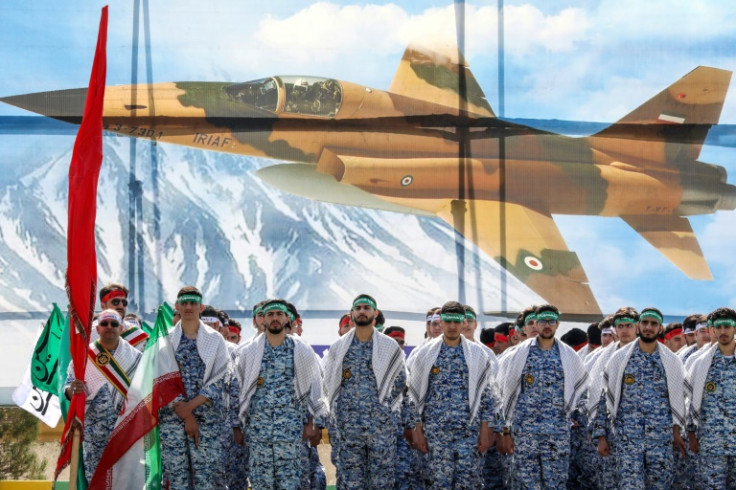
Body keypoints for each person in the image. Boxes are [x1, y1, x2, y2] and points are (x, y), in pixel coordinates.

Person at [234, 299, 326, 489]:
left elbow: (314, 388)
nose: (274, 318)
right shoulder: (249, 352)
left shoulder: (301, 350)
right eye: (270, 314)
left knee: (291, 485)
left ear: (287, 319)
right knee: (261, 484)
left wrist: (313, 424)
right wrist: (237, 426)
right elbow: (238, 391)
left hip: (292, 435)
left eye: (279, 314)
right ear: (263, 320)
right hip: (259, 435)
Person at [593, 307, 686, 489]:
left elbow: (678, 399)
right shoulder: (619, 359)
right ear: (638, 326)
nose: (648, 327)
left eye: (653, 324)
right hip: (627, 440)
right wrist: (600, 435)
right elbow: (605, 398)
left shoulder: (671, 361)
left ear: (660, 329)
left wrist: (677, 430)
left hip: (660, 440)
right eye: (645, 323)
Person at [498, 304, 588, 489]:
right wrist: (505, 431)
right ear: (536, 324)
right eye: (542, 321)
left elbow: (581, 390)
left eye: (551, 321)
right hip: (524, 435)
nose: (547, 325)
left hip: (557, 436)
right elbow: (504, 392)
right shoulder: (518, 354)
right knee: (525, 484)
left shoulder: (569, 355)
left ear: (557, 324)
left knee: (555, 484)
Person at [409, 301, 498, 489]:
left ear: (463, 323)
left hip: (469, 436)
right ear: (440, 322)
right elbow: (413, 397)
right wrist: (417, 432)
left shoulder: (478, 354)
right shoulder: (425, 354)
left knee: (469, 484)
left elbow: (487, 397)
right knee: (437, 484)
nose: (452, 326)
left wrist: (485, 431)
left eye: (456, 322)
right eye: (448, 321)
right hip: (434, 436)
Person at [322, 294, 407, 488]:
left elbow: (400, 380)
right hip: (349, 427)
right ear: (352, 314)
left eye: (366, 308)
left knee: (381, 481)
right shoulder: (339, 347)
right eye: (358, 308)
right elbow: (329, 382)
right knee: (351, 481)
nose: (362, 311)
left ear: (374, 313)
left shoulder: (389, 346)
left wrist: (383, 409)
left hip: (381, 428)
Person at [158, 286, 230, 489]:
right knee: (176, 479)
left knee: (205, 480)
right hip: (173, 420)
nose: (188, 306)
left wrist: (191, 408)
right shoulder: (165, 340)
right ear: (177, 307)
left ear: (201, 307)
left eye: (193, 302)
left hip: (207, 421)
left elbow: (220, 378)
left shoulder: (215, 340)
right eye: (184, 303)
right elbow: (160, 379)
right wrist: (185, 413)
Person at [64, 309, 142, 482]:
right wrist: (72, 389)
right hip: (95, 431)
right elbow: (68, 384)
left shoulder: (137, 358)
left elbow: (145, 390)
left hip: (126, 430)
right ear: (97, 329)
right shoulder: (83, 357)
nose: (109, 327)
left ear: (121, 328)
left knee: (125, 480)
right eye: (104, 323)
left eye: (114, 324)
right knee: (97, 479)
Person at [686, 307, 736, 488]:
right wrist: (691, 433)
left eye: (727, 326)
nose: (723, 331)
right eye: (719, 327)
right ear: (712, 330)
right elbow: (691, 400)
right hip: (711, 445)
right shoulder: (701, 363)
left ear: (734, 329)